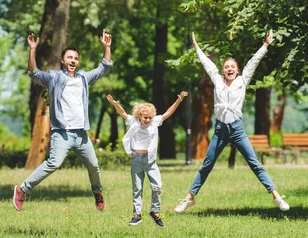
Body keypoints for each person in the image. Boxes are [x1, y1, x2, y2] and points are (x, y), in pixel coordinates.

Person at [174, 30, 289, 213]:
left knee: (254, 163)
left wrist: (266, 45)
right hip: (220, 130)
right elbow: (207, 64)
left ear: (237, 70)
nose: (229, 69)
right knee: (207, 165)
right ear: (223, 70)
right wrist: (196, 48)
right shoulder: (217, 81)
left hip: (236, 129)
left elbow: (253, 62)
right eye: (226, 66)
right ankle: (189, 198)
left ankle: (276, 196)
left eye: (232, 67)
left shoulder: (242, 81)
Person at [12, 30, 113, 212]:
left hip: (81, 134)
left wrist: (107, 47)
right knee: (54, 163)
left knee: (94, 165)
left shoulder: (83, 78)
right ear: (62, 60)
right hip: (62, 133)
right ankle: (22, 189)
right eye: (69, 57)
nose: (73, 60)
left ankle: (97, 192)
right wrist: (32, 50)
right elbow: (33, 72)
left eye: (75, 58)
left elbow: (104, 67)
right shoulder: (54, 78)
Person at [106, 91, 188, 228]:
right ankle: (136, 215)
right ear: (139, 116)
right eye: (145, 118)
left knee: (157, 186)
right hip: (137, 159)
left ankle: (155, 212)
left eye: (150, 117)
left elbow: (168, 113)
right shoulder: (133, 120)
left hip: (150, 161)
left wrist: (178, 101)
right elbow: (123, 113)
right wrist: (114, 104)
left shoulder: (155, 122)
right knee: (137, 188)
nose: (148, 120)